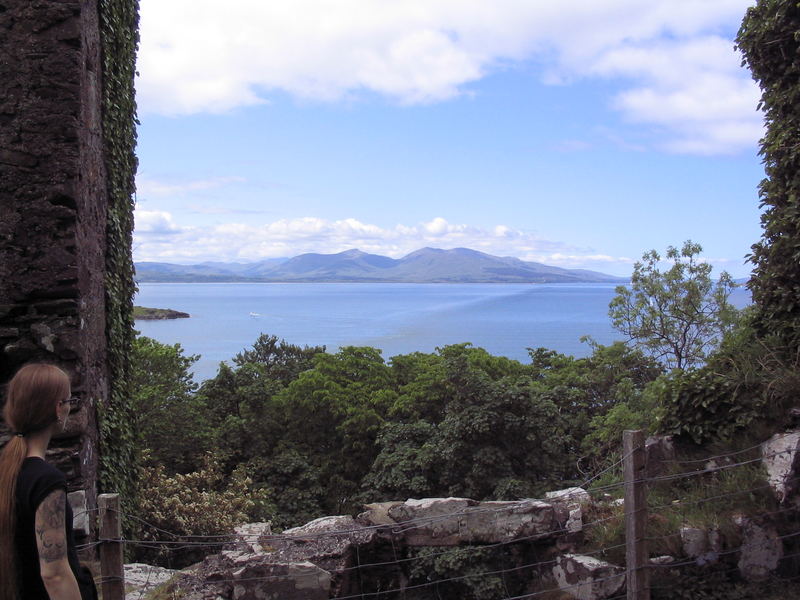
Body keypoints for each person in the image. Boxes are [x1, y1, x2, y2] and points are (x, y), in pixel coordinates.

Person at [0, 363, 96, 600]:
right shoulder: (46, 481)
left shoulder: (8, 469)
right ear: (58, 408)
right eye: (68, 401)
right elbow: (54, 574)